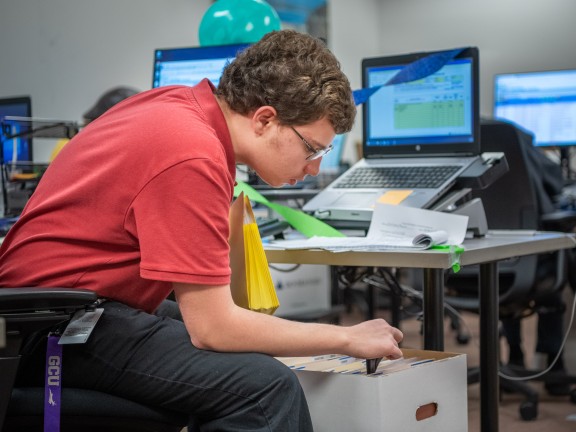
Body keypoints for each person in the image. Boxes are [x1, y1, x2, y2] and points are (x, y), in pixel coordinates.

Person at [0, 30, 403, 431]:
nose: (314, 166)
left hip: (62, 307)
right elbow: (214, 329)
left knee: (245, 348)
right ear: (265, 119)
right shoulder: (192, 152)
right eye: (312, 148)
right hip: (47, 327)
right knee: (266, 390)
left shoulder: (177, 106)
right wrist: (346, 339)